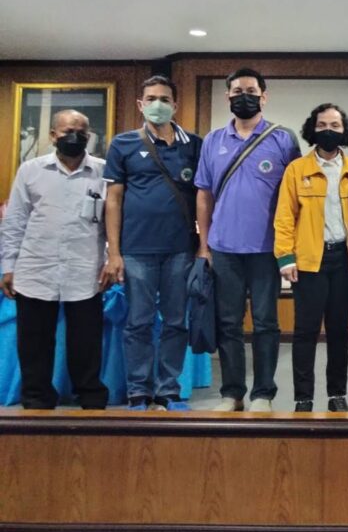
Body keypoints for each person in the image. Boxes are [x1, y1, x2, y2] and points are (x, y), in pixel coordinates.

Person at [195, 68, 301, 412]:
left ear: (264, 97)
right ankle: (232, 393)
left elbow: (296, 196)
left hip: (267, 249)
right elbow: (203, 195)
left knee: (266, 322)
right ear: (227, 96)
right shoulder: (213, 141)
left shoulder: (283, 139)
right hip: (224, 248)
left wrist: (289, 249)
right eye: (237, 91)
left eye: (251, 91)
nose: (245, 96)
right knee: (228, 323)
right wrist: (204, 245)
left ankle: (263, 394)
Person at [102, 76, 202, 411]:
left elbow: (205, 197)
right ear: (140, 104)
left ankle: (168, 389)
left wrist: (204, 246)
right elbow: (113, 200)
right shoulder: (123, 144)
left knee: (176, 322)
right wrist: (114, 252)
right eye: (151, 98)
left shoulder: (194, 145)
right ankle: (138, 390)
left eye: (164, 99)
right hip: (136, 250)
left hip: (180, 249)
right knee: (138, 323)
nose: (157, 104)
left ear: (175, 105)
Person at [1, 110, 109, 410]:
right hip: (36, 267)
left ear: (89, 136)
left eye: (81, 132)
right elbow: (14, 221)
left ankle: (90, 399)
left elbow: (112, 222)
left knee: (86, 343)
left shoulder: (103, 172)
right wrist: (8, 266)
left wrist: (110, 258)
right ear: (52, 135)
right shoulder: (30, 170)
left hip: (86, 269)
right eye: (67, 131)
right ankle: (36, 399)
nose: (74, 136)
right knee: (34, 342)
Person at [275, 103, 348, 412]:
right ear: (312, 129)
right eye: (322, 125)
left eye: (335, 125)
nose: (329, 130)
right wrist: (285, 257)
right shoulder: (296, 170)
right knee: (306, 331)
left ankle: (337, 395)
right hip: (309, 262)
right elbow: (284, 217)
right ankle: (303, 398)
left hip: (345, 260)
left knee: (340, 331)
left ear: (344, 130)